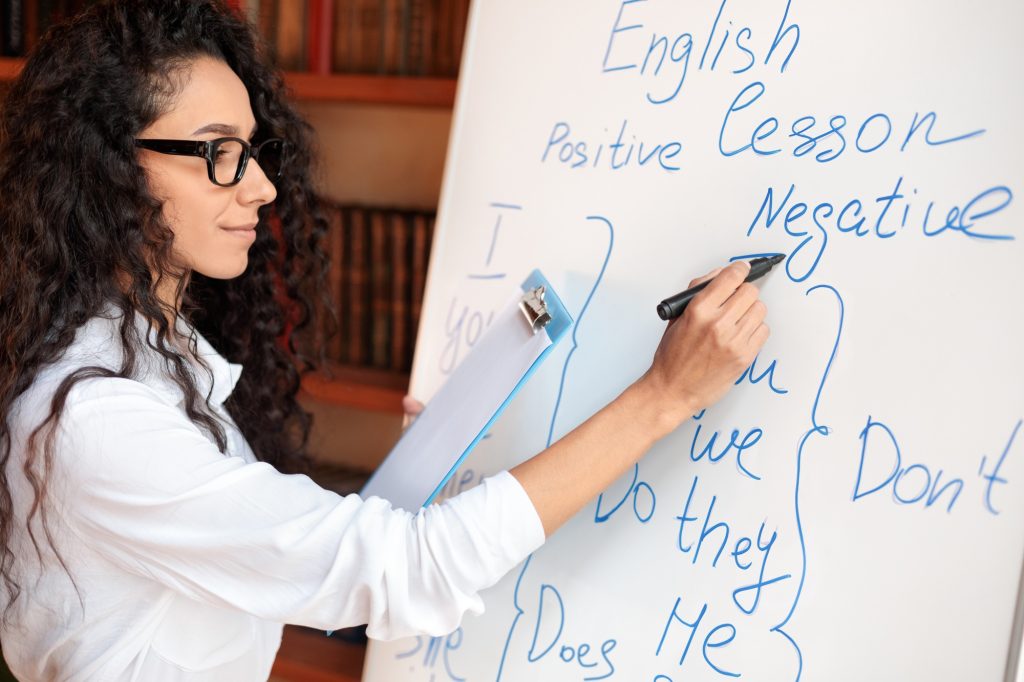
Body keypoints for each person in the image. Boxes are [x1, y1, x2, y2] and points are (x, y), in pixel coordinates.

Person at [0, 1, 769, 680]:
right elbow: (408, 572)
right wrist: (665, 397)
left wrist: (424, 465)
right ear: (108, 166)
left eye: (253, 150)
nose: (261, 186)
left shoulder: (153, 356)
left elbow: (273, 560)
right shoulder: (96, 421)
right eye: (218, 152)